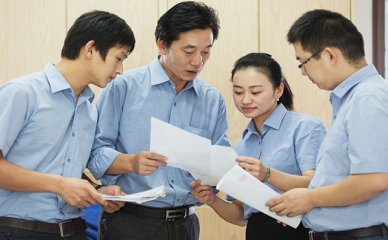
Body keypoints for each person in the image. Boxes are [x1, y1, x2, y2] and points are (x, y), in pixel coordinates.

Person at [87, 1, 228, 240]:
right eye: (189, 51)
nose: (198, 62)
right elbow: (95, 152)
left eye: (206, 51)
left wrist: (211, 183)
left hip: (186, 223)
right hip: (130, 222)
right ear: (162, 44)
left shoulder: (212, 100)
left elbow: (219, 160)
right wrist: (130, 162)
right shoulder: (123, 87)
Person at [0, 10, 136, 239]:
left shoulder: (89, 110)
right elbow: (59, 180)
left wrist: (96, 191)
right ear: (90, 49)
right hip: (18, 231)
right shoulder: (22, 93)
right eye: (119, 58)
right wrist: (58, 184)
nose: (120, 70)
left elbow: (65, 172)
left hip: (74, 230)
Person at [266, 9, 388, 240]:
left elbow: (375, 179)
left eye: (303, 62)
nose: (303, 73)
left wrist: (310, 199)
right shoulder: (353, 98)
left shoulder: (368, 97)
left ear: (330, 55)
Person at [191, 52, 326, 240]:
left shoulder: (306, 128)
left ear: (278, 90)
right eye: (238, 92)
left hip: (299, 232)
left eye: (255, 92)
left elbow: (317, 184)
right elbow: (240, 214)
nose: (245, 100)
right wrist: (212, 201)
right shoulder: (243, 145)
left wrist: (267, 174)